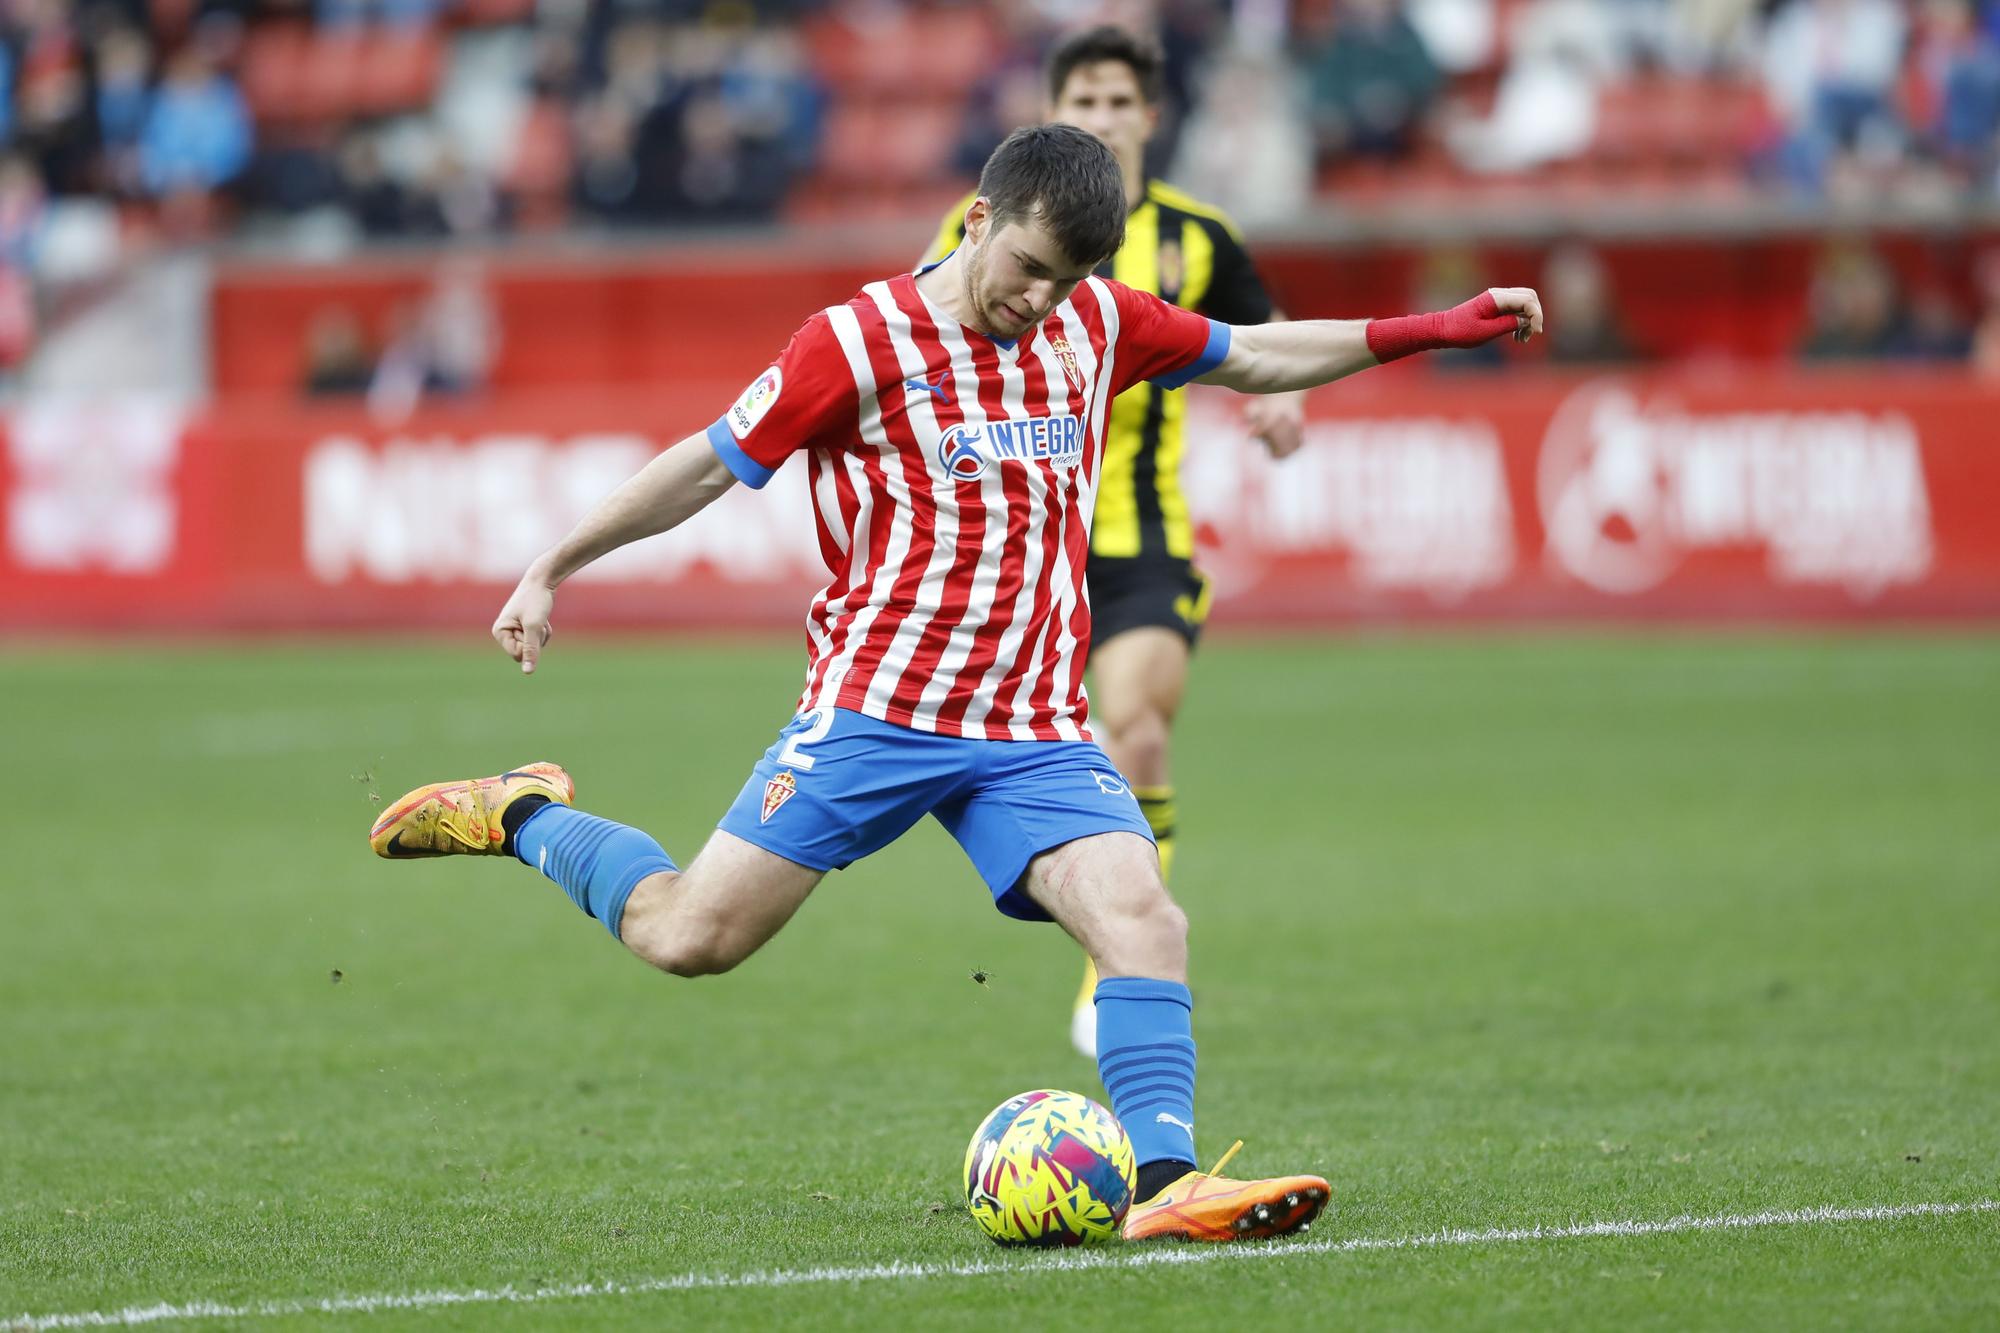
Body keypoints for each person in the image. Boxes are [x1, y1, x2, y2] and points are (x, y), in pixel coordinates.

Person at [369, 123, 1541, 1243]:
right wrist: (553, 564)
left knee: (1144, 918)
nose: (1037, 300)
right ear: (977, 220)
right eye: (1026, 266)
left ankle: (1167, 1180)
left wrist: (1430, 328)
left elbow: (1253, 354)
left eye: (1065, 278)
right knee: (688, 937)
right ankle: (523, 810)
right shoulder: (854, 342)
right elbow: (706, 467)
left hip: (1032, 726)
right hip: (878, 710)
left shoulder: (1097, 322)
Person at [923, 26, 1310, 1058]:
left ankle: (1112, 959)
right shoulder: (983, 232)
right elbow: (922, 342)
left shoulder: (1196, 237)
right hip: (1017, 548)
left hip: (1139, 538)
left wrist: (1284, 403)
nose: (1100, 117)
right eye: (1079, 101)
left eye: (1116, 101)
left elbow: (1262, 339)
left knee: (1133, 726)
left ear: (1150, 115)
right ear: (1053, 113)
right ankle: (1094, 899)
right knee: (1050, 745)